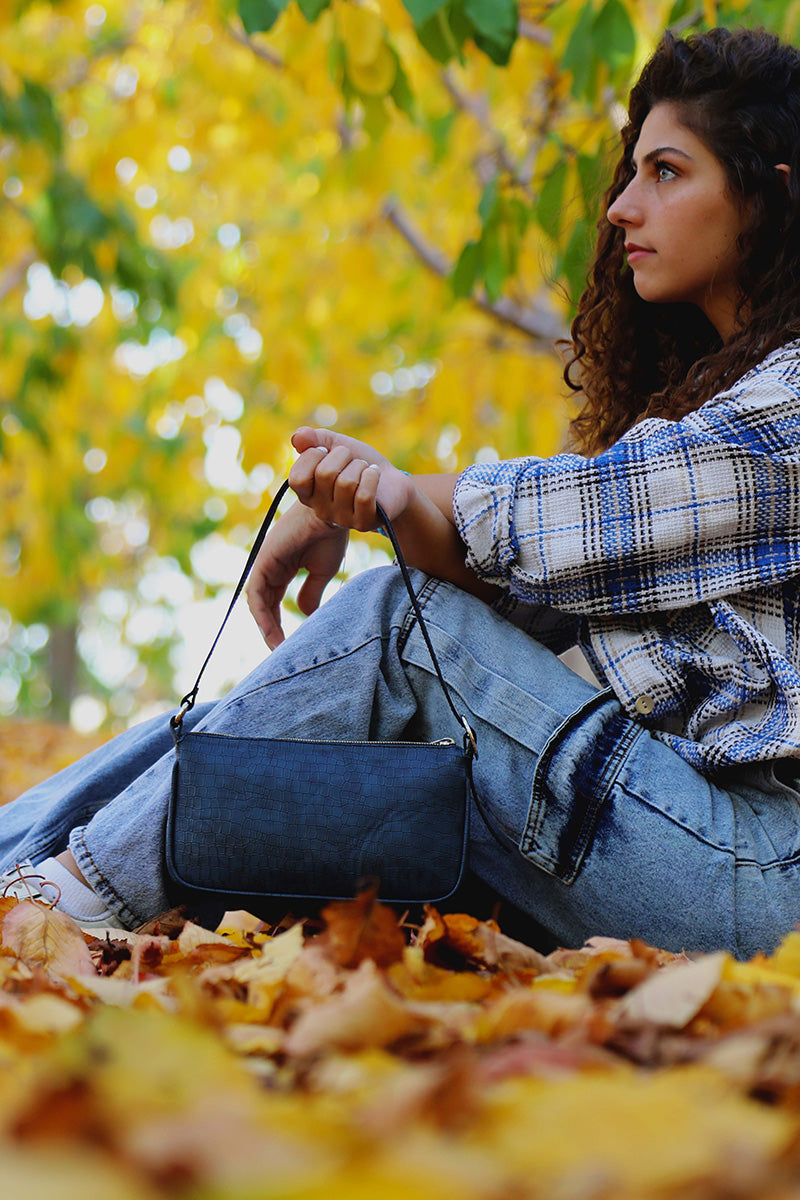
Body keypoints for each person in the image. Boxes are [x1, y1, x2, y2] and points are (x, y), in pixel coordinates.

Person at [4, 25, 800, 960]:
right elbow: (525, 601)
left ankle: (61, 903)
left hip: (759, 869)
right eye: (632, 172)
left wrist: (385, 492)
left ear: (771, 195)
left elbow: (575, 520)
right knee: (237, 736)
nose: (623, 206)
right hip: (688, 840)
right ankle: (25, 871)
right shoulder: (715, 399)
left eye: (666, 172)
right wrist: (377, 502)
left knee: (393, 624)